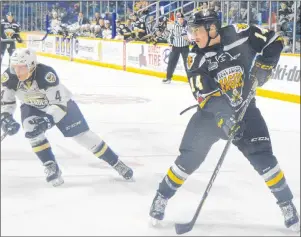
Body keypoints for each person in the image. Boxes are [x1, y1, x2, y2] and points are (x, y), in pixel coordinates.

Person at [149, 9, 299, 232]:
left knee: (264, 158)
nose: (194, 36)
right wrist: (224, 120)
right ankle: (162, 196)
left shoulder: (239, 35)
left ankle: (287, 204)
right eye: (192, 31)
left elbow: (274, 40)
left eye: (197, 30)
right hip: (210, 117)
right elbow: (205, 97)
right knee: (189, 158)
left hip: (245, 109)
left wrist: (264, 66)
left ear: (212, 28)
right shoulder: (195, 57)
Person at [1, 48, 133, 187]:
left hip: (61, 106)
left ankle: (116, 162)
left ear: (32, 65)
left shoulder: (46, 74)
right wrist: (5, 118)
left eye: (22, 68)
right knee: (31, 132)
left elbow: (59, 104)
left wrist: (48, 120)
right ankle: (50, 165)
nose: (17, 72)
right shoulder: (8, 77)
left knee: (84, 136)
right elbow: (6, 102)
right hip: (32, 106)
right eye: (14, 67)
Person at [162, 12, 190, 84]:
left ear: (183, 19)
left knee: (187, 64)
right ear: (177, 19)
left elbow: (190, 35)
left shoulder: (187, 25)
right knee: (171, 62)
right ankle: (168, 78)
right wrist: (170, 43)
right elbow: (170, 36)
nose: (180, 20)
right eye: (179, 19)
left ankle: (190, 79)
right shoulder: (174, 26)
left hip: (185, 47)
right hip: (175, 47)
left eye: (181, 19)